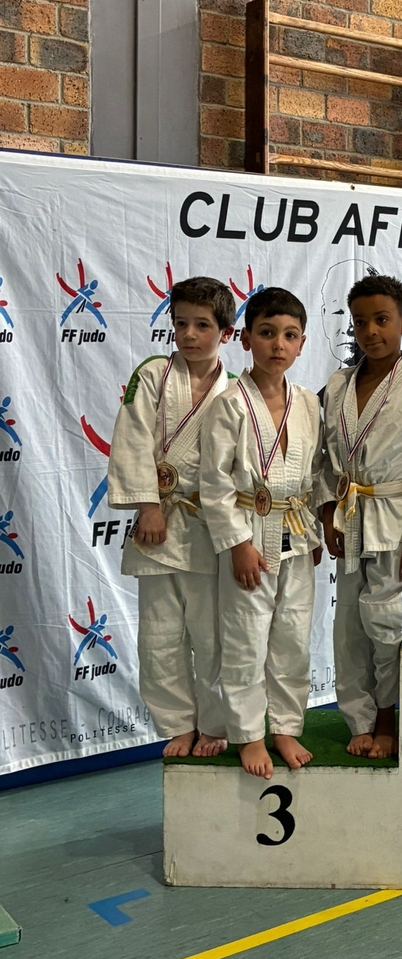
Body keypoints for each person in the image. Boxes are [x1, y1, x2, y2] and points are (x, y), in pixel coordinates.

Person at [320, 275, 402, 758]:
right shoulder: (337, 385)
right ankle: (358, 718)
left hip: (397, 518)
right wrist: (327, 511)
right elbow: (321, 457)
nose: (370, 331)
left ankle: (389, 714)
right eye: (360, 322)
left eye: (382, 320)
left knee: (387, 620)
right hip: (349, 515)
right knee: (349, 626)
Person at [107, 276, 235, 758]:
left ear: (226, 331)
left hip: (209, 524)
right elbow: (133, 438)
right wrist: (147, 506)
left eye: (202, 325)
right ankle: (178, 724)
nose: (189, 334)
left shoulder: (235, 390)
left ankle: (215, 723)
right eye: (180, 323)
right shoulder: (154, 374)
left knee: (212, 634)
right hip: (158, 519)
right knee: (159, 634)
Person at [200, 287, 323, 779]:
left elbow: (315, 473)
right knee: (246, 638)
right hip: (249, 531)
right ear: (246, 339)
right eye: (267, 333)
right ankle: (250, 734)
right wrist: (238, 544)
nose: (278, 344)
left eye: (290, 335)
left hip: (296, 532)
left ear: (302, 344)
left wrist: (314, 529)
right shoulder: (228, 404)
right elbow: (214, 484)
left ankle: (286, 727)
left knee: (293, 637)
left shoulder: (308, 402)